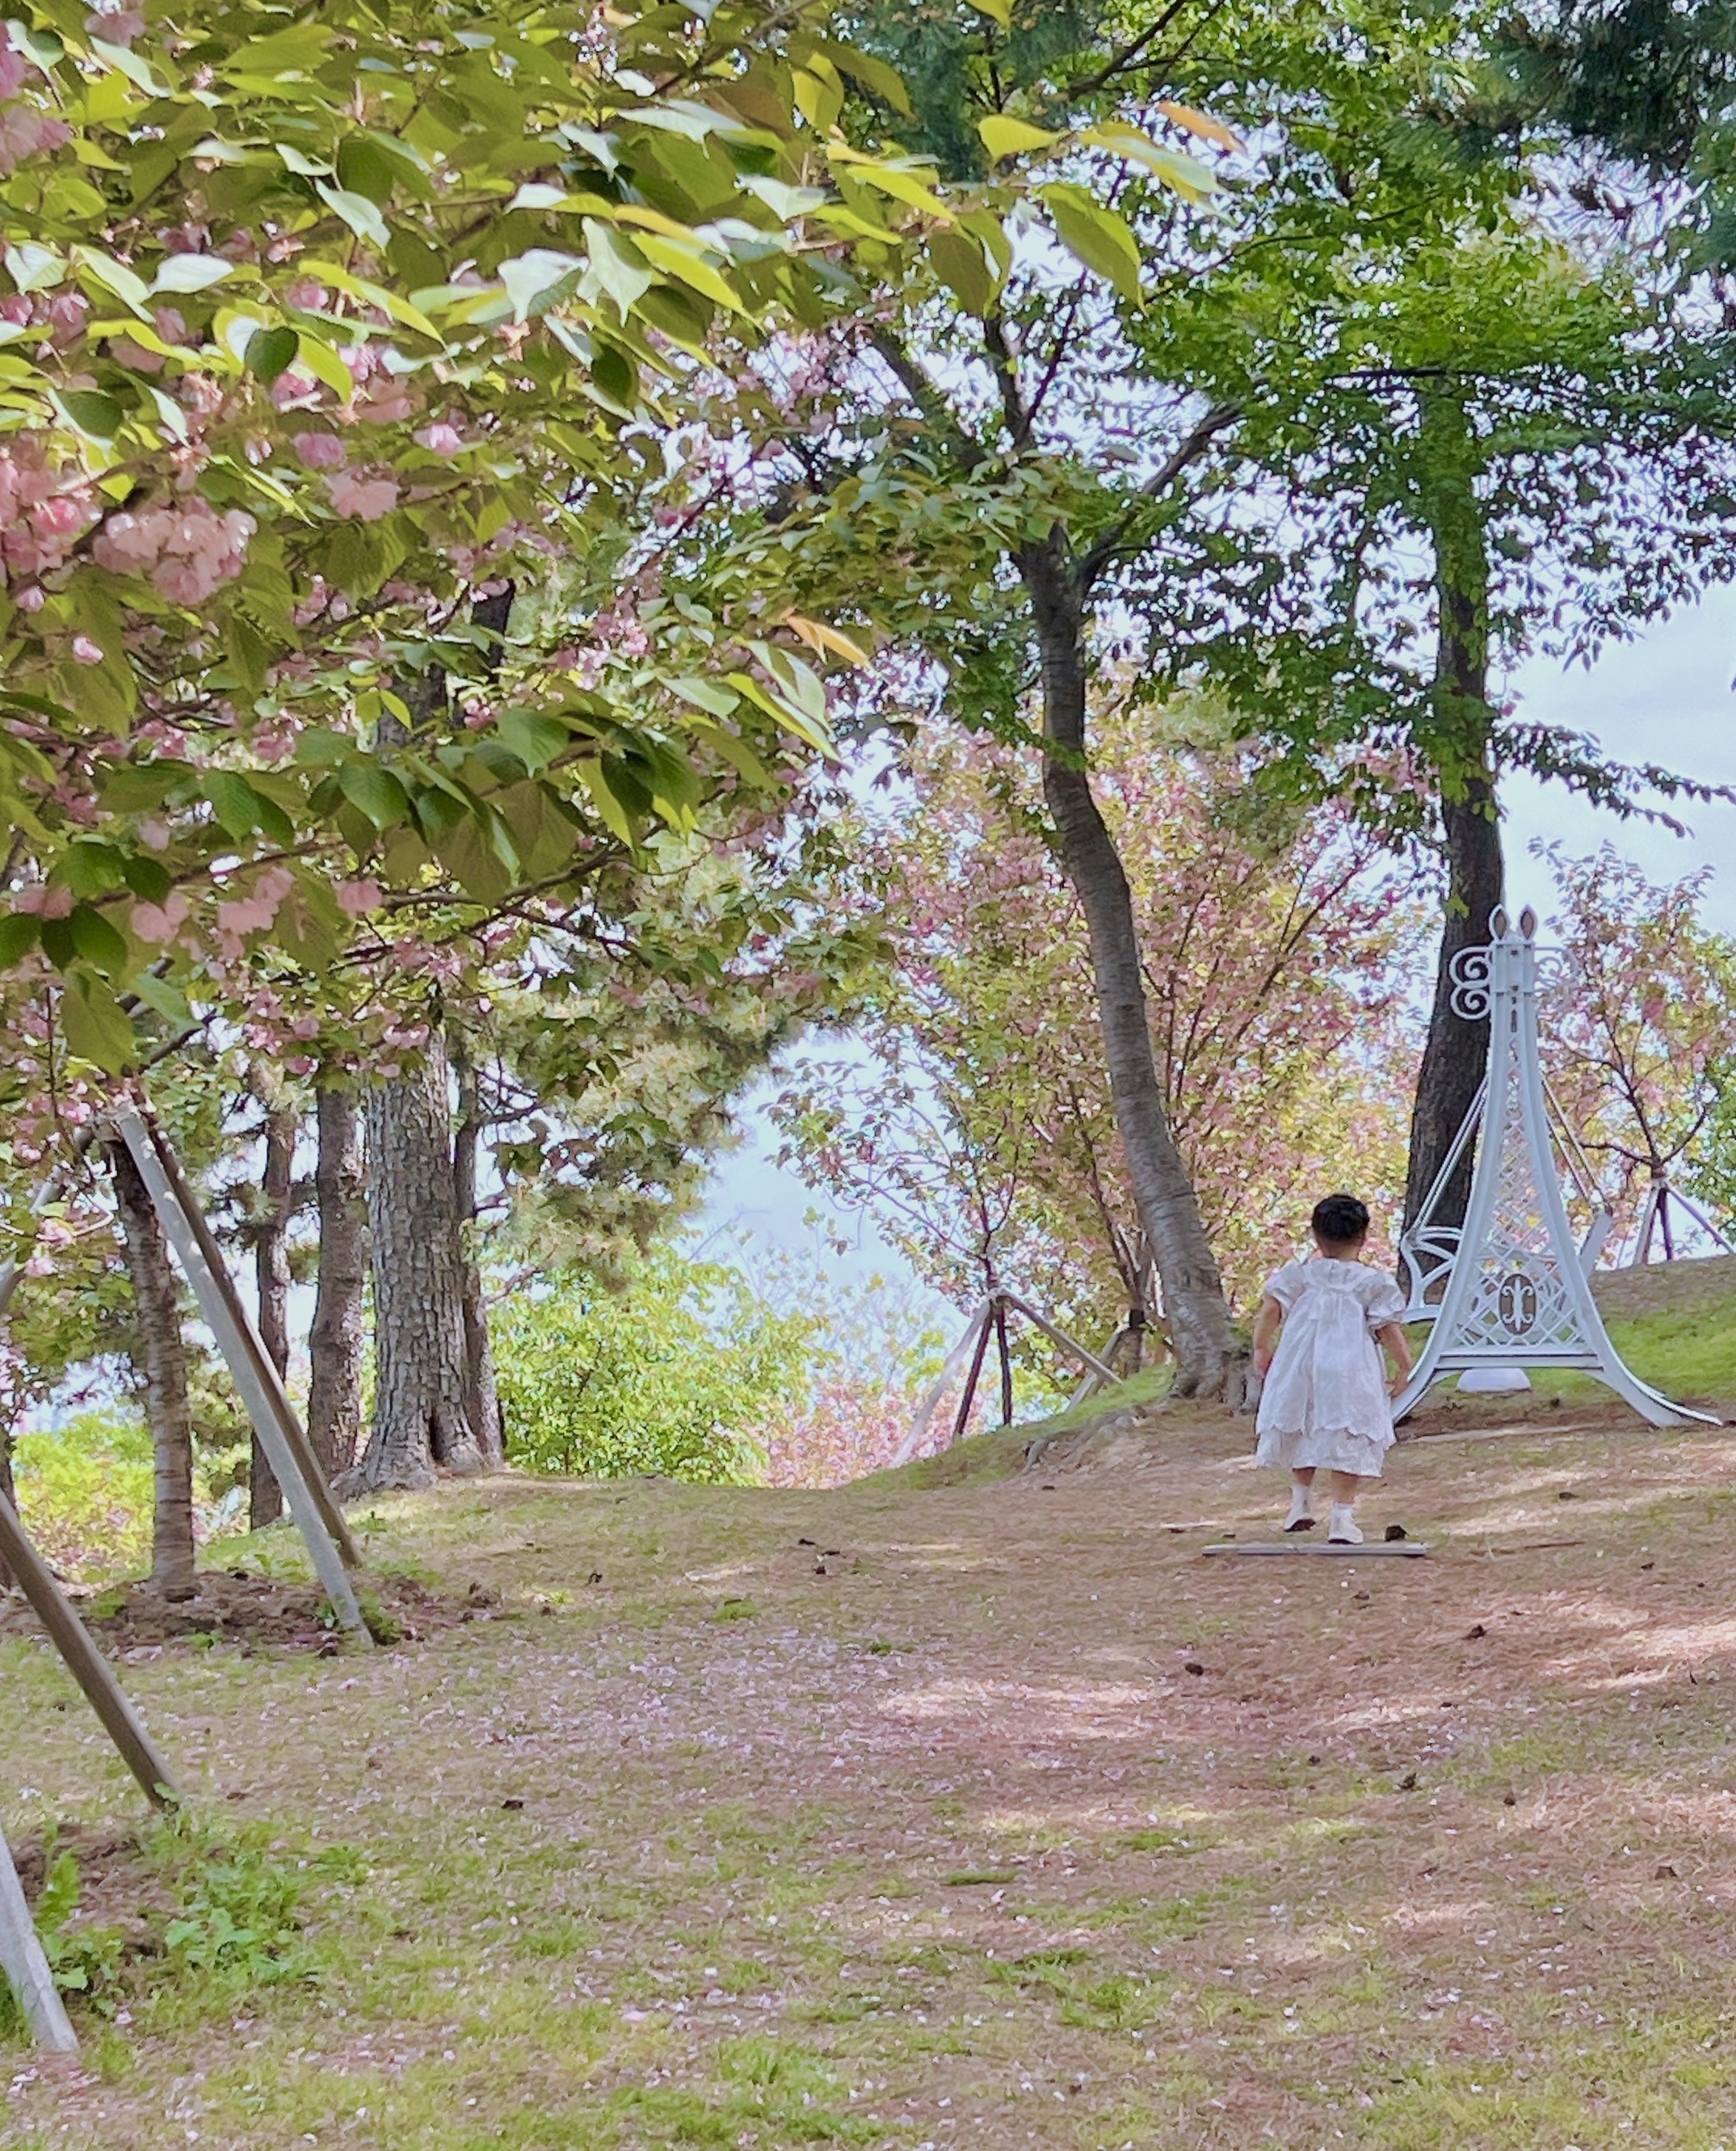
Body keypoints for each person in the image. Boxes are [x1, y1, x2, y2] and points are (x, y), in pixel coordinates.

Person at [1250, 1193, 1413, 1545]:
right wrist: (1404, 1366)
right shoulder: (1371, 1282)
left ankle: (1300, 1502)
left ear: (1315, 1235)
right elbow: (1387, 1328)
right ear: (1363, 1236)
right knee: (1347, 1432)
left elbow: (1270, 1310)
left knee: (1302, 1422)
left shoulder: (1299, 1275)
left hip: (1300, 1364)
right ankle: (1342, 1517)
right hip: (1349, 1368)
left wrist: (1261, 1346)